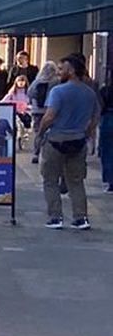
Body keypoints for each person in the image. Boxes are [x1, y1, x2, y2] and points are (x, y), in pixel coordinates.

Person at [39, 52, 101, 230]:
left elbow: (49, 116)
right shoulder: (89, 93)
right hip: (78, 140)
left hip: (56, 139)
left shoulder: (58, 91)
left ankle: (55, 217)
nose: (59, 72)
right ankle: (81, 217)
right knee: (76, 181)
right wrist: (87, 134)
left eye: (62, 68)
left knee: (50, 179)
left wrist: (41, 133)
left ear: (72, 70)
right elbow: (95, 117)